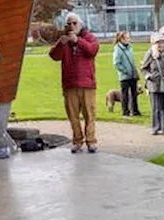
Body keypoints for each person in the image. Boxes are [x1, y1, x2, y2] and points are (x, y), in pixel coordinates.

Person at [49, 13, 100, 153]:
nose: (71, 26)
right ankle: (77, 140)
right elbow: (54, 56)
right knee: (73, 115)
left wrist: (78, 40)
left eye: (74, 23)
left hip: (87, 83)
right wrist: (61, 43)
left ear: (80, 25)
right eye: (68, 24)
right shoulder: (64, 40)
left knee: (89, 114)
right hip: (70, 84)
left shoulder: (88, 37)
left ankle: (91, 141)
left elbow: (92, 50)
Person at [141, 32, 164, 135]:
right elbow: (143, 68)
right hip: (155, 84)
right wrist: (149, 76)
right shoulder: (150, 54)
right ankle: (156, 128)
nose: (160, 45)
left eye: (162, 42)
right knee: (156, 107)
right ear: (154, 44)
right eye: (158, 42)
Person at [112, 30, 141, 117]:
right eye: (127, 38)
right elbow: (116, 63)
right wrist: (125, 71)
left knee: (134, 93)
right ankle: (125, 111)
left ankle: (135, 110)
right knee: (124, 95)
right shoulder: (118, 49)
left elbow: (132, 60)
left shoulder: (129, 48)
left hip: (132, 74)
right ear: (121, 39)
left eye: (129, 38)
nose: (129, 39)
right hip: (124, 76)